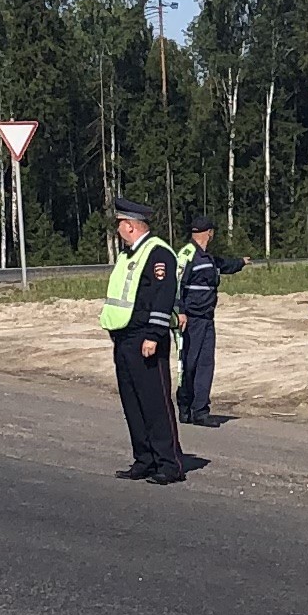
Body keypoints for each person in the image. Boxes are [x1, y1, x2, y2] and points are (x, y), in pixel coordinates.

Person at [98, 198, 186, 482]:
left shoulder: (158, 253)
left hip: (146, 339)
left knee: (155, 402)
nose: (118, 231)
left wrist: (153, 336)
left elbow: (162, 297)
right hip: (124, 337)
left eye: (120, 225)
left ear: (131, 226)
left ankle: (169, 464)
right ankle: (144, 458)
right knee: (132, 403)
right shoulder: (128, 256)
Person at [175, 218, 246, 425]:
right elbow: (177, 284)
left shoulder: (207, 258)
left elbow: (223, 265)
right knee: (189, 364)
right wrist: (180, 311)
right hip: (190, 320)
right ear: (209, 233)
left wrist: (241, 262)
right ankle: (185, 406)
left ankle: (200, 411)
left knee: (205, 364)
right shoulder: (188, 254)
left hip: (207, 318)